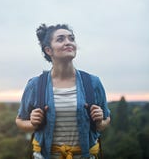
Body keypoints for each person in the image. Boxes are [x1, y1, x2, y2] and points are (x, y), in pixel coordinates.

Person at [15, 24, 111, 159]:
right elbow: (20, 121)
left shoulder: (93, 82)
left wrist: (100, 121)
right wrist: (32, 123)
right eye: (61, 39)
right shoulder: (35, 85)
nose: (68, 42)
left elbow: (106, 121)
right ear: (48, 50)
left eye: (71, 38)